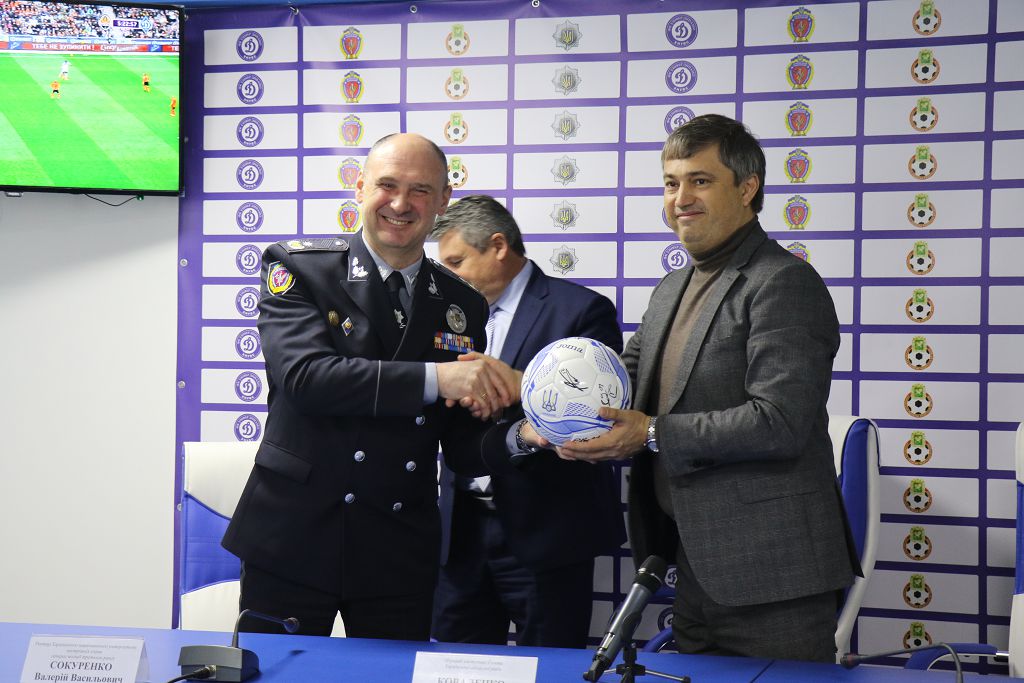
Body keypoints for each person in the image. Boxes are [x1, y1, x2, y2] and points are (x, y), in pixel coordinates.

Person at [552, 114, 859, 662]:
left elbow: (780, 422)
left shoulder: (784, 282)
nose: (681, 199)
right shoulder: (672, 287)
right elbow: (621, 383)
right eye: (671, 183)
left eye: (700, 180)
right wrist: (543, 401)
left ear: (747, 188)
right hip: (693, 566)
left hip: (775, 576)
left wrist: (650, 433)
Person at [221, 133, 525, 641]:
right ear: (359, 188)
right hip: (293, 538)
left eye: (420, 190)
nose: (401, 204)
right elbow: (307, 379)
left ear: (443, 200)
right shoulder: (299, 268)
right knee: (275, 675)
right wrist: (438, 377)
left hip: (397, 548)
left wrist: (522, 437)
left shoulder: (463, 303)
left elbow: (459, 440)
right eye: (387, 185)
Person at [430, 195, 626, 648]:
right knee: (453, 669)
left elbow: (600, 411)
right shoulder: (447, 315)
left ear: (499, 246)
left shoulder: (580, 309)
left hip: (547, 534)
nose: (448, 277)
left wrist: (520, 386)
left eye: (457, 262)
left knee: (549, 667)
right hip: (460, 535)